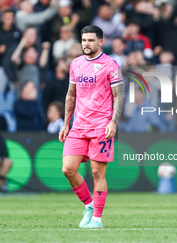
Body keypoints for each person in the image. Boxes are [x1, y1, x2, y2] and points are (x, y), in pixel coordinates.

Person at [59, 25, 124, 229]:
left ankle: (97, 219)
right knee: (68, 169)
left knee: (97, 173)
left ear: (100, 42)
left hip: (100, 126)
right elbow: (71, 95)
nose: (86, 43)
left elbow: (119, 96)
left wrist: (113, 121)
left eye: (90, 40)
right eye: (84, 40)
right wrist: (65, 123)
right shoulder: (76, 64)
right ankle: (88, 205)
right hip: (78, 126)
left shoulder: (110, 65)